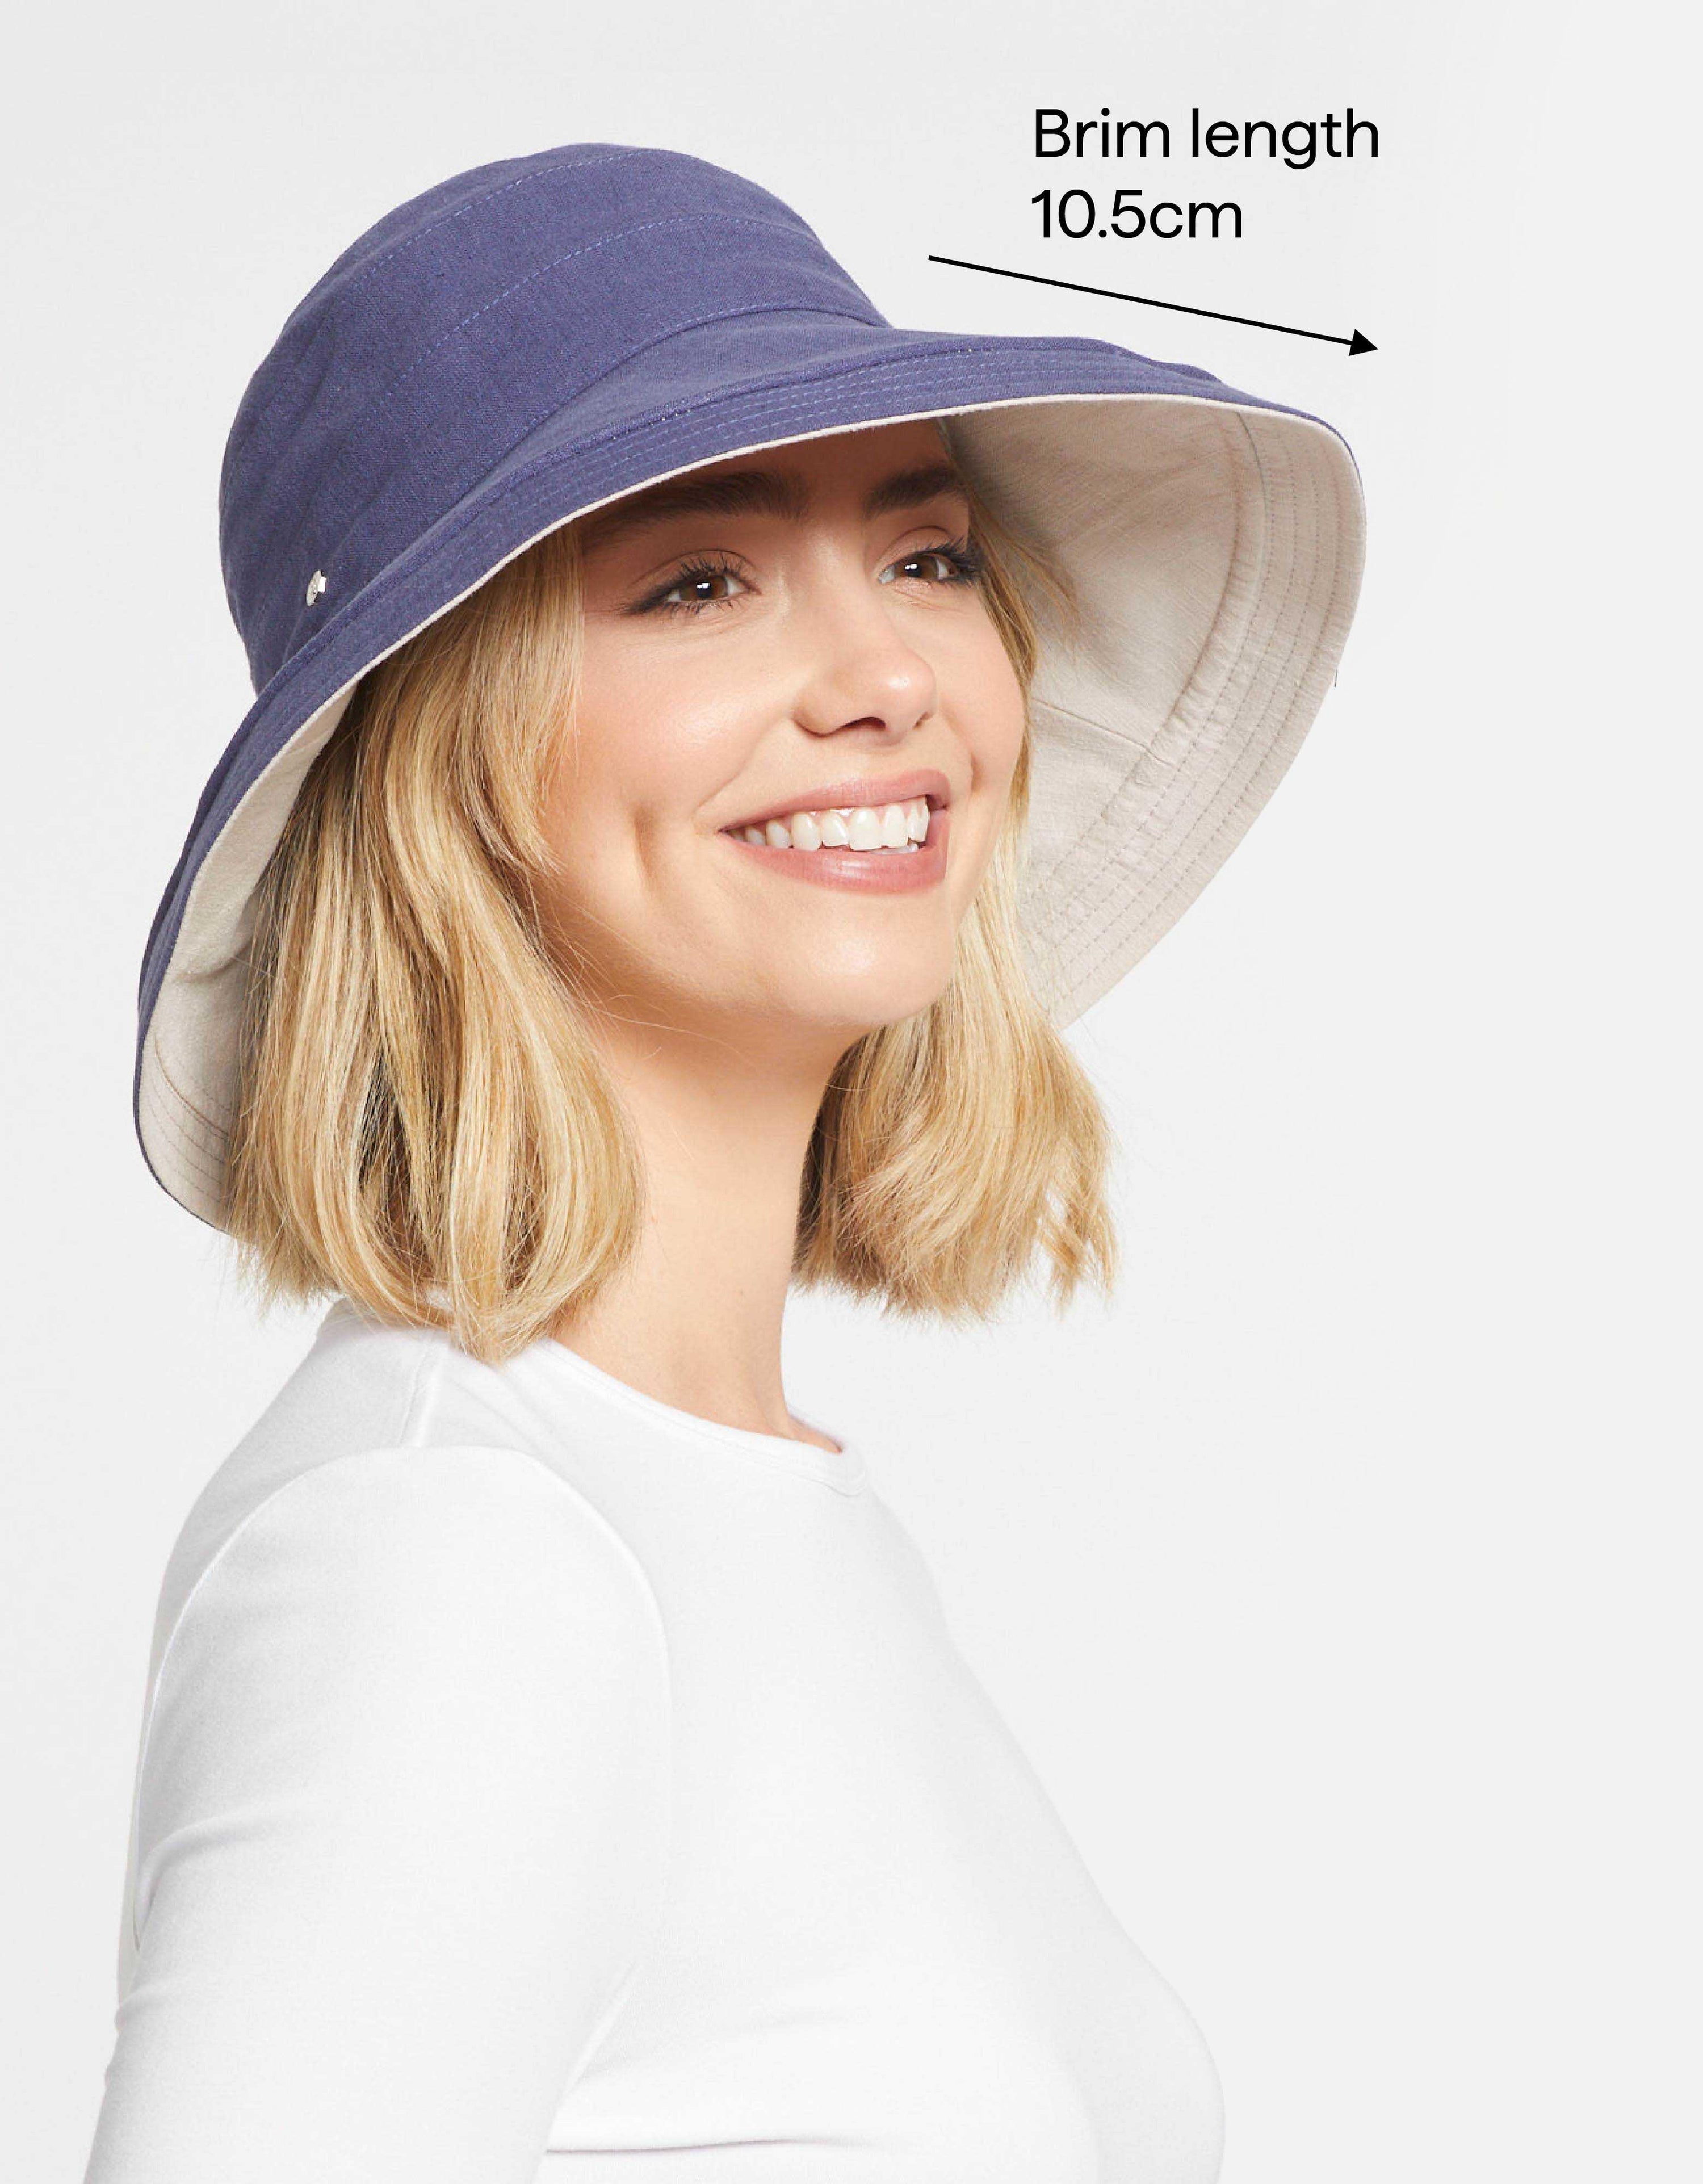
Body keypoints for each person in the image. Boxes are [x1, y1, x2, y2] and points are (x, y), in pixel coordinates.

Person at [85, 144, 1364, 2181]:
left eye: (931, 556)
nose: (891, 680)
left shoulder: (731, 1517)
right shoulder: (453, 1555)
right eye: (698, 580)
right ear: (447, 761)